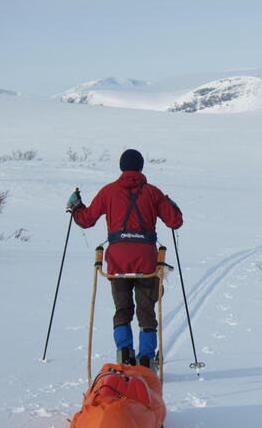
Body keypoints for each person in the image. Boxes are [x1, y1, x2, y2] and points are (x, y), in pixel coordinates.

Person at [66, 149, 183, 370]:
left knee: (122, 309)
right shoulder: (153, 193)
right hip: (147, 262)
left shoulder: (108, 191)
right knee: (146, 310)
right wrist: (172, 204)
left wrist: (75, 206)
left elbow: (86, 220)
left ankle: (124, 354)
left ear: (121, 167)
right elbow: (175, 221)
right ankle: (147, 361)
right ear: (141, 167)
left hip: (117, 263)